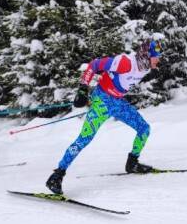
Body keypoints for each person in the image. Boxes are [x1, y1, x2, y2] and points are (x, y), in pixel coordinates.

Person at [46, 39, 164, 194]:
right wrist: (83, 89)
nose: (159, 59)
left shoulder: (145, 67)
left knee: (144, 128)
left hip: (117, 103)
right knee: (85, 138)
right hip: (102, 102)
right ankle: (57, 175)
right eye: (157, 56)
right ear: (147, 55)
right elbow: (95, 65)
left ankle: (132, 163)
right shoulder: (124, 63)